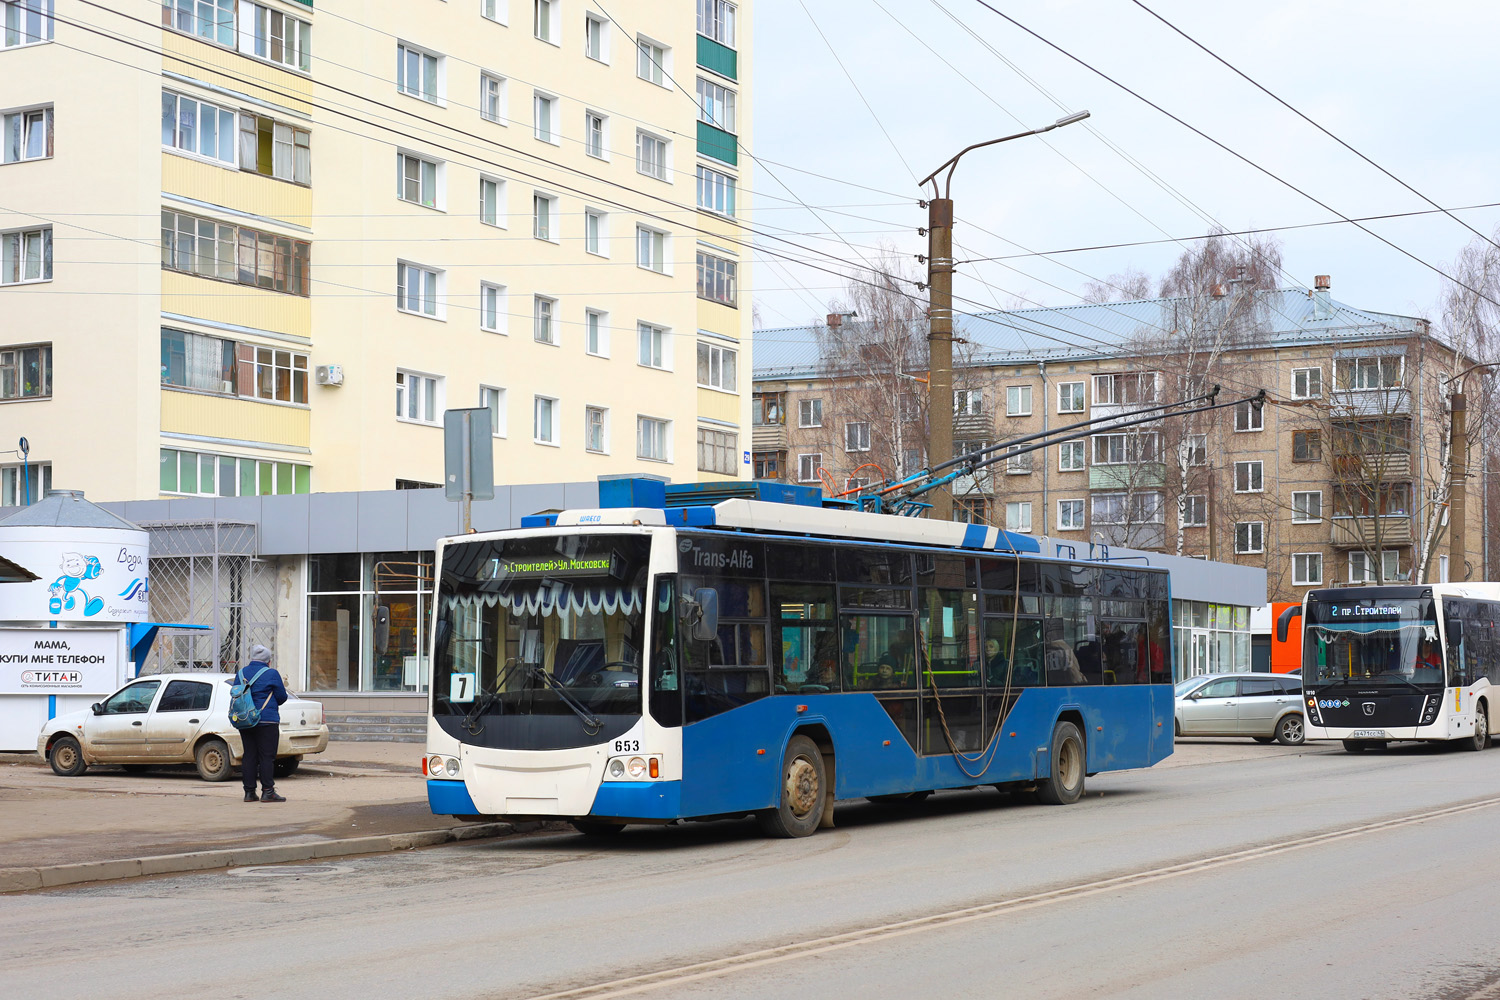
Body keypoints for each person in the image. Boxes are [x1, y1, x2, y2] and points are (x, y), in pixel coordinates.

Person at [237, 644, 289, 803]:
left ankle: (249, 792)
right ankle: (268, 791)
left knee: (249, 755)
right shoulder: (272, 673)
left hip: (245, 720)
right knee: (267, 756)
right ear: (268, 661)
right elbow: (282, 697)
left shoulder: (241, 673)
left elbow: (235, 693)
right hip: (267, 720)